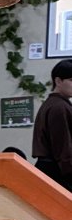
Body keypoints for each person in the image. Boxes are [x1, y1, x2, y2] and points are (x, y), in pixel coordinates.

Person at [32, 58, 72, 193]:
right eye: (71, 80)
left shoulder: (54, 104)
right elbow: (63, 148)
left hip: (51, 170)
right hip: (57, 173)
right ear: (58, 81)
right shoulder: (59, 107)